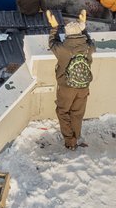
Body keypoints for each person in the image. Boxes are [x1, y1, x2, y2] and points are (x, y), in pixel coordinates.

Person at [47, 9, 95, 150]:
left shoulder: (63, 49)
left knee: (62, 112)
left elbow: (52, 42)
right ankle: (76, 134)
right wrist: (83, 26)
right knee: (77, 113)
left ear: (67, 34)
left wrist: (54, 27)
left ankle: (70, 141)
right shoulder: (88, 48)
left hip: (66, 87)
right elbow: (90, 40)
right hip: (83, 86)